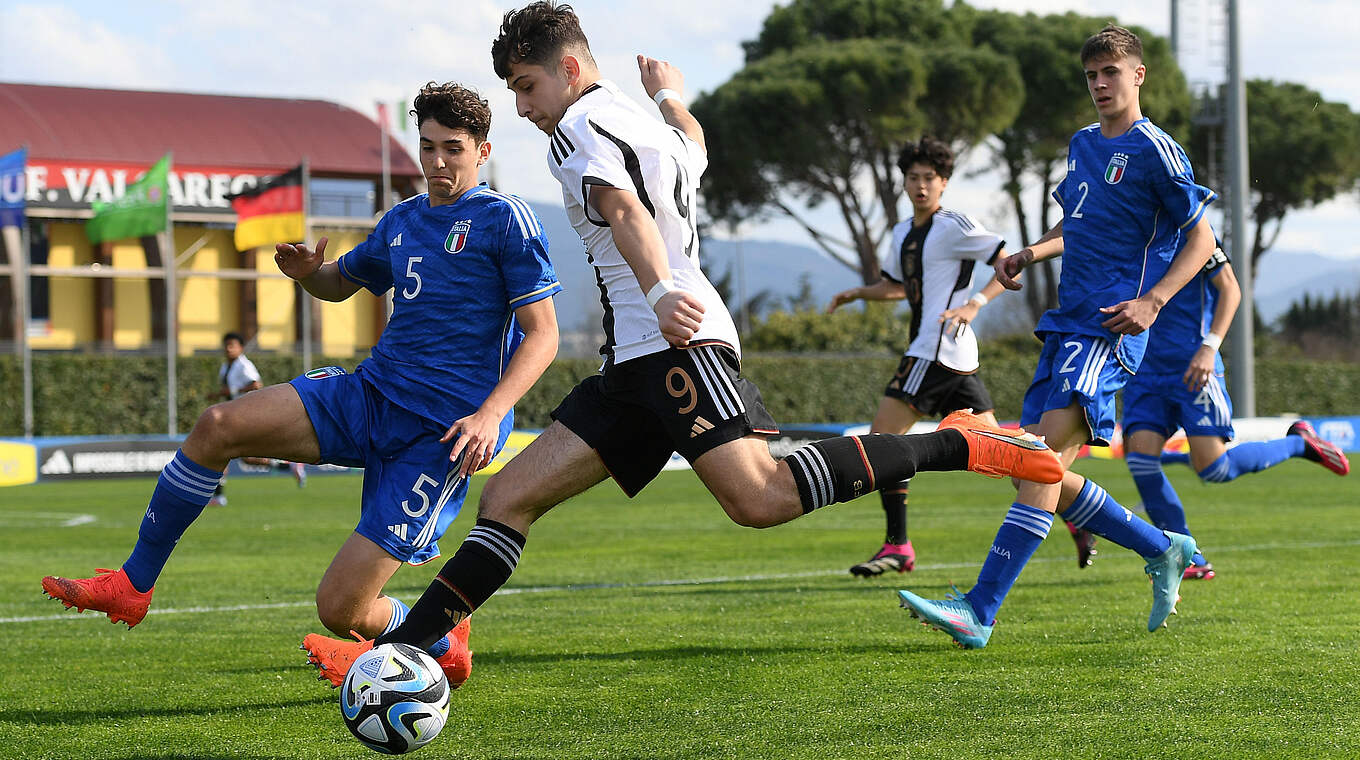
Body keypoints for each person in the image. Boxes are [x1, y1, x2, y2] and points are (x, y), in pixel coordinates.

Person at [300, 0, 1064, 683]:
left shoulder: (576, 129)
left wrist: (663, 293)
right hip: (633, 360)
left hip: (673, 342)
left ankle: (957, 443)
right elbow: (691, 141)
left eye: (527, 87)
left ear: (567, 70)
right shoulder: (641, 120)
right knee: (507, 498)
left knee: (759, 497)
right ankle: (399, 656)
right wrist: (670, 91)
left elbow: (623, 211)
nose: (526, 109)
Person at [41, 82, 563, 689]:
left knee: (339, 610)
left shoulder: (505, 220)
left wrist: (491, 414)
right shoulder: (401, 221)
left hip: (443, 433)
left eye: (453, 148)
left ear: (483, 150)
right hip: (371, 395)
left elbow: (542, 335)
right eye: (428, 147)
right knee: (219, 426)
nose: (438, 162)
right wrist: (309, 274)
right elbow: (341, 282)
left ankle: (438, 640)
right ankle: (133, 585)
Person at [897, 24, 1220, 648]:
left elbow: (1202, 238)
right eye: (1091, 76)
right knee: (1036, 471)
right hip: (1065, 324)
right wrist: (1029, 254)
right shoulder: (1081, 144)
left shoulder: (1156, 149)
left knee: (1039, 463)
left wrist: (1153, 301)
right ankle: (1162, 548)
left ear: (1138, 76)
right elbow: (1079, 224)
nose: (1100, 85)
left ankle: (980, 609)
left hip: (1108, 330)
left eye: (1111, 73)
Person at [825, 136, 1015, 577]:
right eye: (914, 178)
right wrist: (857, 293)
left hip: (932, 351)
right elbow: (895, 287)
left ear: (944, 182)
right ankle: (1075, 512)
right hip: (949, 357)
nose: (921, 186)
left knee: (880, 443)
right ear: (904, 183)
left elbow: (1007, 263)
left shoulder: (954, 225)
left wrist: (975, 304)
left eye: (930, 178)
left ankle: (898, 546)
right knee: (1003, 452)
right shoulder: (901, 233)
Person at [1124, 242, 1350, 580]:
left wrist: (1209, 347)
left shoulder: (1195, 233)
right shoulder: (1134, 231)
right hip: (1144, 370)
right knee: (1140, 460)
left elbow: (1230, 287)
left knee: (1214, 469)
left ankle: (1299, 443)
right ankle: (1187, 556)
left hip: (1193, 368)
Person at [209, 331, 307, 506]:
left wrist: (231, 393)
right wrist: (217, 395)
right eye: (226, 345)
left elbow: (256, 385)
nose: (228, 348)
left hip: (243, 413)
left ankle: (218, 496)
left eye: (232, 345)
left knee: (220, 449)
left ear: (241, 348)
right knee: (244, 457)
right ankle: (288, 466)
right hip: (232, 413)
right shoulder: (226, 367)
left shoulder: (243, 365)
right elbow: (229, 391)